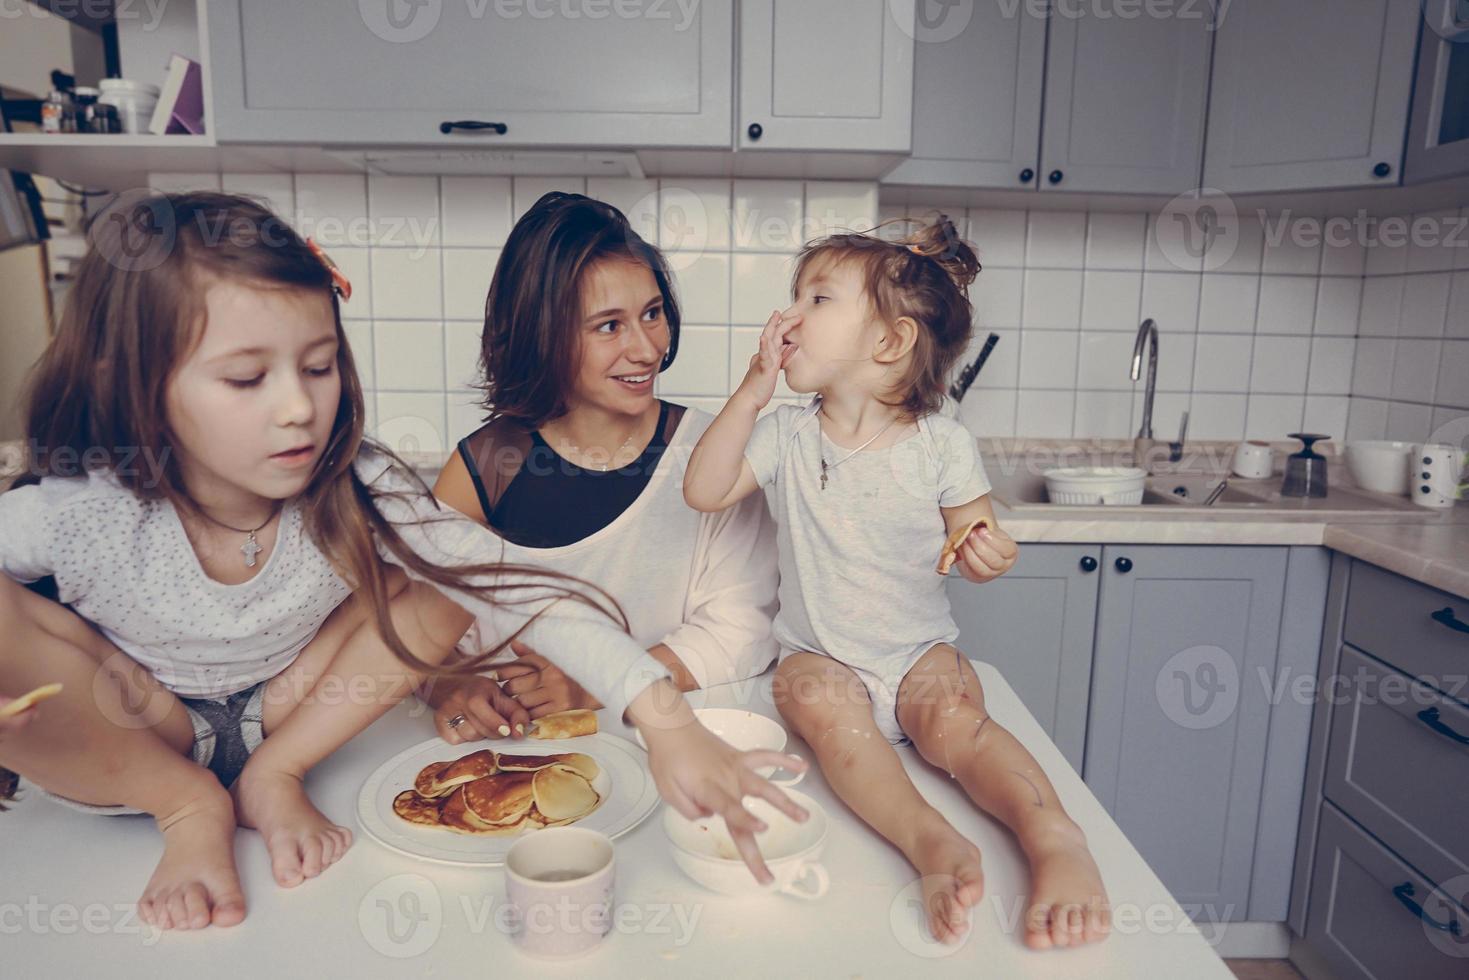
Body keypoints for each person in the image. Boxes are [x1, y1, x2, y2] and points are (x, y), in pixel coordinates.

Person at [0, 192, 805, 933]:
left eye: (317, 368)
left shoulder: (358, 479)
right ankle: (184, 807)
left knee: (446, 582)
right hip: (142, 723)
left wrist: (662, 722)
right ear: (135, 384)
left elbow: (510, 584)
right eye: (248, 377)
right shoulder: (80, 506)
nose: (297, 408)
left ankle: (269, 778)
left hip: (287, 710)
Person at [683, 216, 1110, 949]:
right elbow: (705, 488)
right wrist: (752, 389)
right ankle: (928, 840)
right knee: (823, 712)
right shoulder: (784, 433)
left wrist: (986, 551)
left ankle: (1053, 834)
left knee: (956, 728)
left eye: (816, 299)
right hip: (819, 653)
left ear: (888, 343)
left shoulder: (940, 445)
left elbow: (975, 534)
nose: (788, 316)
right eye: (796, 296)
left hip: (916, 653)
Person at [427, 192, 779, 740]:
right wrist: (445, 685)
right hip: (503, 755)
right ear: (542, 335)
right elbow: (403, 630)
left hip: (659, 745)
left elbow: (743, 632)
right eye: (608, 326)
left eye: (652, 314)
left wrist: (600, 680)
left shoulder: (716, 453)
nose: (646, 350)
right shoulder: (484, 468)